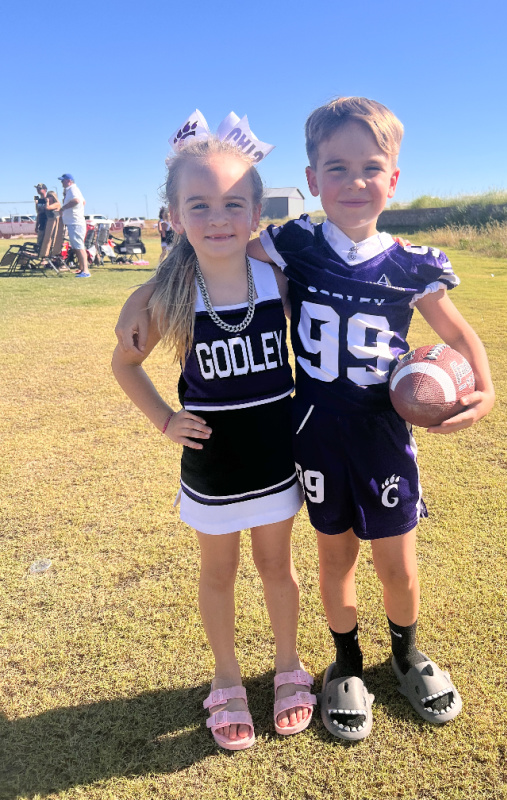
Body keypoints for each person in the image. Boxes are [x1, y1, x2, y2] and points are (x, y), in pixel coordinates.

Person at [115, 97, 495, 741]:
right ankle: (339, 663)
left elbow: (457, 330)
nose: (353, 182)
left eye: (370, 167)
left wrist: (484, 390)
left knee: (395, 563)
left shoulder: (404, 262)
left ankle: (405, 654)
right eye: (335, 169)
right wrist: (159, 392)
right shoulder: (290, 247)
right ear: (312, 180)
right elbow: (211, 242)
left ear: (393, 178)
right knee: (331, 558)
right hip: (306, 433)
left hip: (376, 434)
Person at [111, 136, 315, 751]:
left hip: (275, 455)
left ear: (257, 214)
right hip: (213, 465)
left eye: (233, 204)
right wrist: (166, 420)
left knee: (277, 566)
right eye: (198, 205)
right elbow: (124, 366)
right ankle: (226, 677)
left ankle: (287, 668)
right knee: (218, 572)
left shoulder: (275, 275)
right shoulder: (169, 296)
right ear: (172, 218)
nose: (217, 218)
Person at [58, 173, 90, 277]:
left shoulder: (72, 189)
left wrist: (64, 208)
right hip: (73, 221)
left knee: (79, 246)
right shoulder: (71, 190)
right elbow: (83, 202)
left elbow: (77, 201)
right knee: (76, 246)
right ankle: (81, 268)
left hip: (75, 222)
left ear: (69, 181)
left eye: (63, 181)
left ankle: (86, 271)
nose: (61, 183)